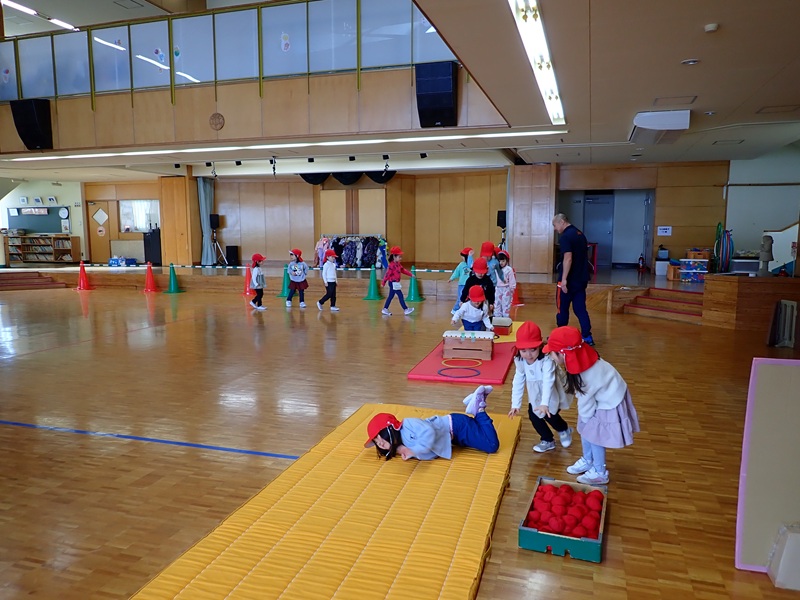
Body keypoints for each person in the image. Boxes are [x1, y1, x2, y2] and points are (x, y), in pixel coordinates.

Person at [543, 326, 640, 485]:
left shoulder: (587, 374)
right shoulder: (580, 359)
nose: (550, 356)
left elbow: (586, 398)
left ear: (563, 354)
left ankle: (600, 472)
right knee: (585, 430)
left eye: (552, 353)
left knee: (593, 435)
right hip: (599, 397)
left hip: (610, 400)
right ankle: (588, 460)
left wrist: (586, 419)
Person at [364, 385, 499, 461]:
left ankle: (478, 409)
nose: (380, 443)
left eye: (380, 437)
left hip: (456, 426)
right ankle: (475, 402)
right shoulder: (401, 444)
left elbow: (429, 432)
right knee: (481, 435)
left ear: (391, 429)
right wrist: (407, 451)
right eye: (376, 442)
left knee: (491, 445)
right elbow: (432, 453)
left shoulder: (409, 424)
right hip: (454, 437)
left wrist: (413, 451)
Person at [507, 322, 573, 453]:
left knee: (550, 414)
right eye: (523, 351)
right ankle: (547, 440)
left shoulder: (547, 360)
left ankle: (564, 429)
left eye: (533, 350)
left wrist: (544, 403)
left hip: (551, 392)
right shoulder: (520, 361)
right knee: (534, 416)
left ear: (540, 346)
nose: (528, 355)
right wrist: (515, 404)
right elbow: (518, 381)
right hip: (535, 394)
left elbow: (548, 381)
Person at [552, 213, 594, 345]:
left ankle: (561, 336)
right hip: (581, 279)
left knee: (562, 309)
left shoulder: (566, 236)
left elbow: (568, 258)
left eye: (555, 225)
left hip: (569, 280)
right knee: (580, 309)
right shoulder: (580, 234)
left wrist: (564, 279)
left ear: (562, 222)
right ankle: (587, 336)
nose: (555, 229)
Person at [381, 245, 415, 316]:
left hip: (396, 283)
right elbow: (387, 275)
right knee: (400, 295)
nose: (400, 258)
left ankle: (385, 309)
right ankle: (405, 309)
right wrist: (383, 282)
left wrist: (411, 274)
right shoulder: (391, 266)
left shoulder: (398, 264)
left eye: (401, 257)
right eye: (399, 257)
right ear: (394, 257)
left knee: (391, 296)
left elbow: (403, 270)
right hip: (393, 283)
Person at [448, 247, 474, 315]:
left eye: (463, 256)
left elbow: (471, 266)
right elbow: (456, 272)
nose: (462, 258)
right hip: (462, 284)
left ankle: (466, 311)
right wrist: (451, 278)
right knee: (461, 298)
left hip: (470, 284)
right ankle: (455, 310)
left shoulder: (472, 264)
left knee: (469, 298)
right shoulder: (461, 264)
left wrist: (470, 256)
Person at [494, 250, 516, 318]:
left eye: (503, 261)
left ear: (507, 261)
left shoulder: (509, 269)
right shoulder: (496, 268)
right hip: (498, 288)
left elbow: (512, 280)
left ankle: (505, 318)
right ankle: (497, 317)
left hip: (506, 289)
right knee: (497, 303)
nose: (501, 263)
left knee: (506, 304)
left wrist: (512, 288)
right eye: (499, 261)